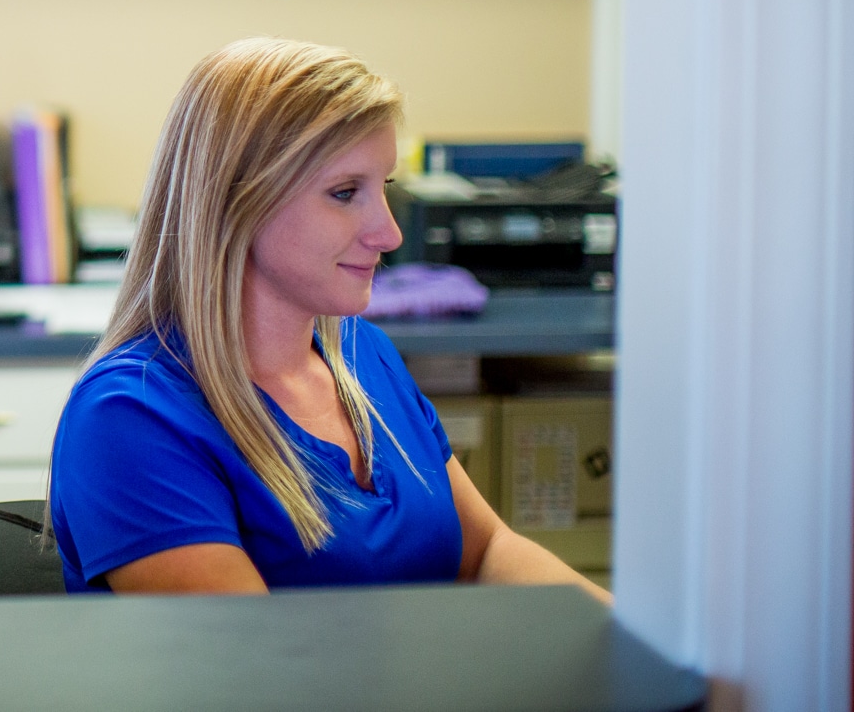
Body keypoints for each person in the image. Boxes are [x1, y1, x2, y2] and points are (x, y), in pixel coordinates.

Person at [50, 37, 610, 600]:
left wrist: (628, 642)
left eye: (383, 187)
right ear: (233, 202)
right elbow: (249, 671)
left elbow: (486, 552)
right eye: (345, 193)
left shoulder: (363, 355)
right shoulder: (133, 415)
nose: (389, 234)